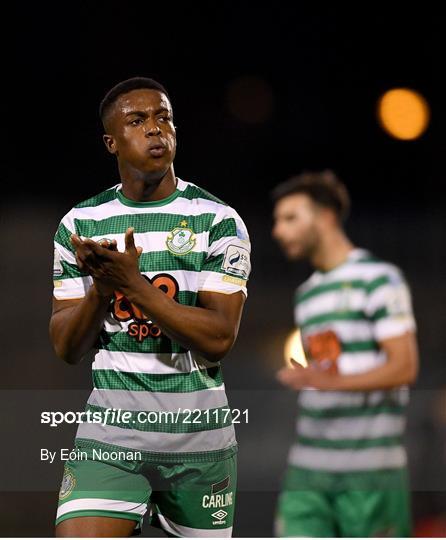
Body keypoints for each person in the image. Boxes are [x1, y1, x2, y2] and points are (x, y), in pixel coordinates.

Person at [50, 77, 251, 537]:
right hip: (111, 437)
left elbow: (219, 338)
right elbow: (65, 346)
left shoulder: (217, 221)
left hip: (199, 441)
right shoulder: (80, 224)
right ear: (111, 142)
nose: (156, 129)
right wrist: (102, 289)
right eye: (137, 120)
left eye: (164, 117)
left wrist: (133, 286)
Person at [272, 170, 418, 537]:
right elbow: (327, 372)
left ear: (325, 217)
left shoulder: (379, 279)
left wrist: (327, 381)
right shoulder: (306, 295)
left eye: (290, 218)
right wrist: (318, 380)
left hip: (370, 471)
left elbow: (404, 367)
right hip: (307, 467)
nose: (278, 231)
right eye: (276, 220)